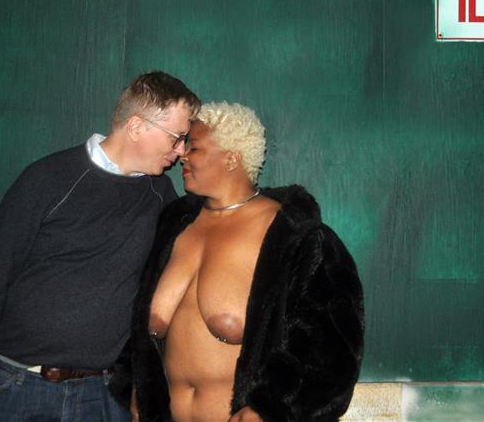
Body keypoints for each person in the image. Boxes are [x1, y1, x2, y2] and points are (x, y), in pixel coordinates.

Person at [0, 71, 201, 422]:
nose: (181, 151)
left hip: (105, 395)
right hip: (20, 387)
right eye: (176, 137)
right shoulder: (48, 179)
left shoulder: (160, 194)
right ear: (136, 127)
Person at [111, 102, 364, 422]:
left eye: (194, 146)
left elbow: (333, 352)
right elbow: (137, 326)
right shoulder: (173, 226)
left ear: (231, 158)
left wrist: (268, 410)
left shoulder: (297, 237)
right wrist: (138, 383)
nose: (182, 155)